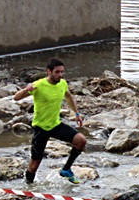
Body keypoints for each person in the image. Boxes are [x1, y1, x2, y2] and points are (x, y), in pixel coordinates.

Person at [13, 57, 86, 185]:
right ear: (49, 71)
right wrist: (26, 89)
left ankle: (66, 169)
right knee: (35, 163)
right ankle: (28, 188)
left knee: (81, 141)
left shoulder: (62, 83)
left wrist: (77, 113)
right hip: (41, 128)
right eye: (57, 72)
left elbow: (68, 96)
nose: (60, 75)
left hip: (56, 125)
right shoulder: (39, 85)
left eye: (62, 72)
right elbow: (16, 98)